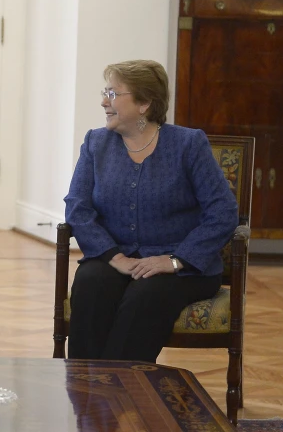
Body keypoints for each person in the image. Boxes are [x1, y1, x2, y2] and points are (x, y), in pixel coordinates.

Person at [63, 59, 238, 362]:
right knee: (91, 283)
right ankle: (84, 393)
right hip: (116, 257)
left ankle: (122, 394)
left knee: (145, 297)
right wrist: (114, 257)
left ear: (144, 103)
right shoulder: (96, 142)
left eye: (114, 94)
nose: (104, 101)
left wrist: (175, 260)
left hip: (183, 269)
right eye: (106, 93)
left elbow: (223, 212)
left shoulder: (188, 144)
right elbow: (77, 208)